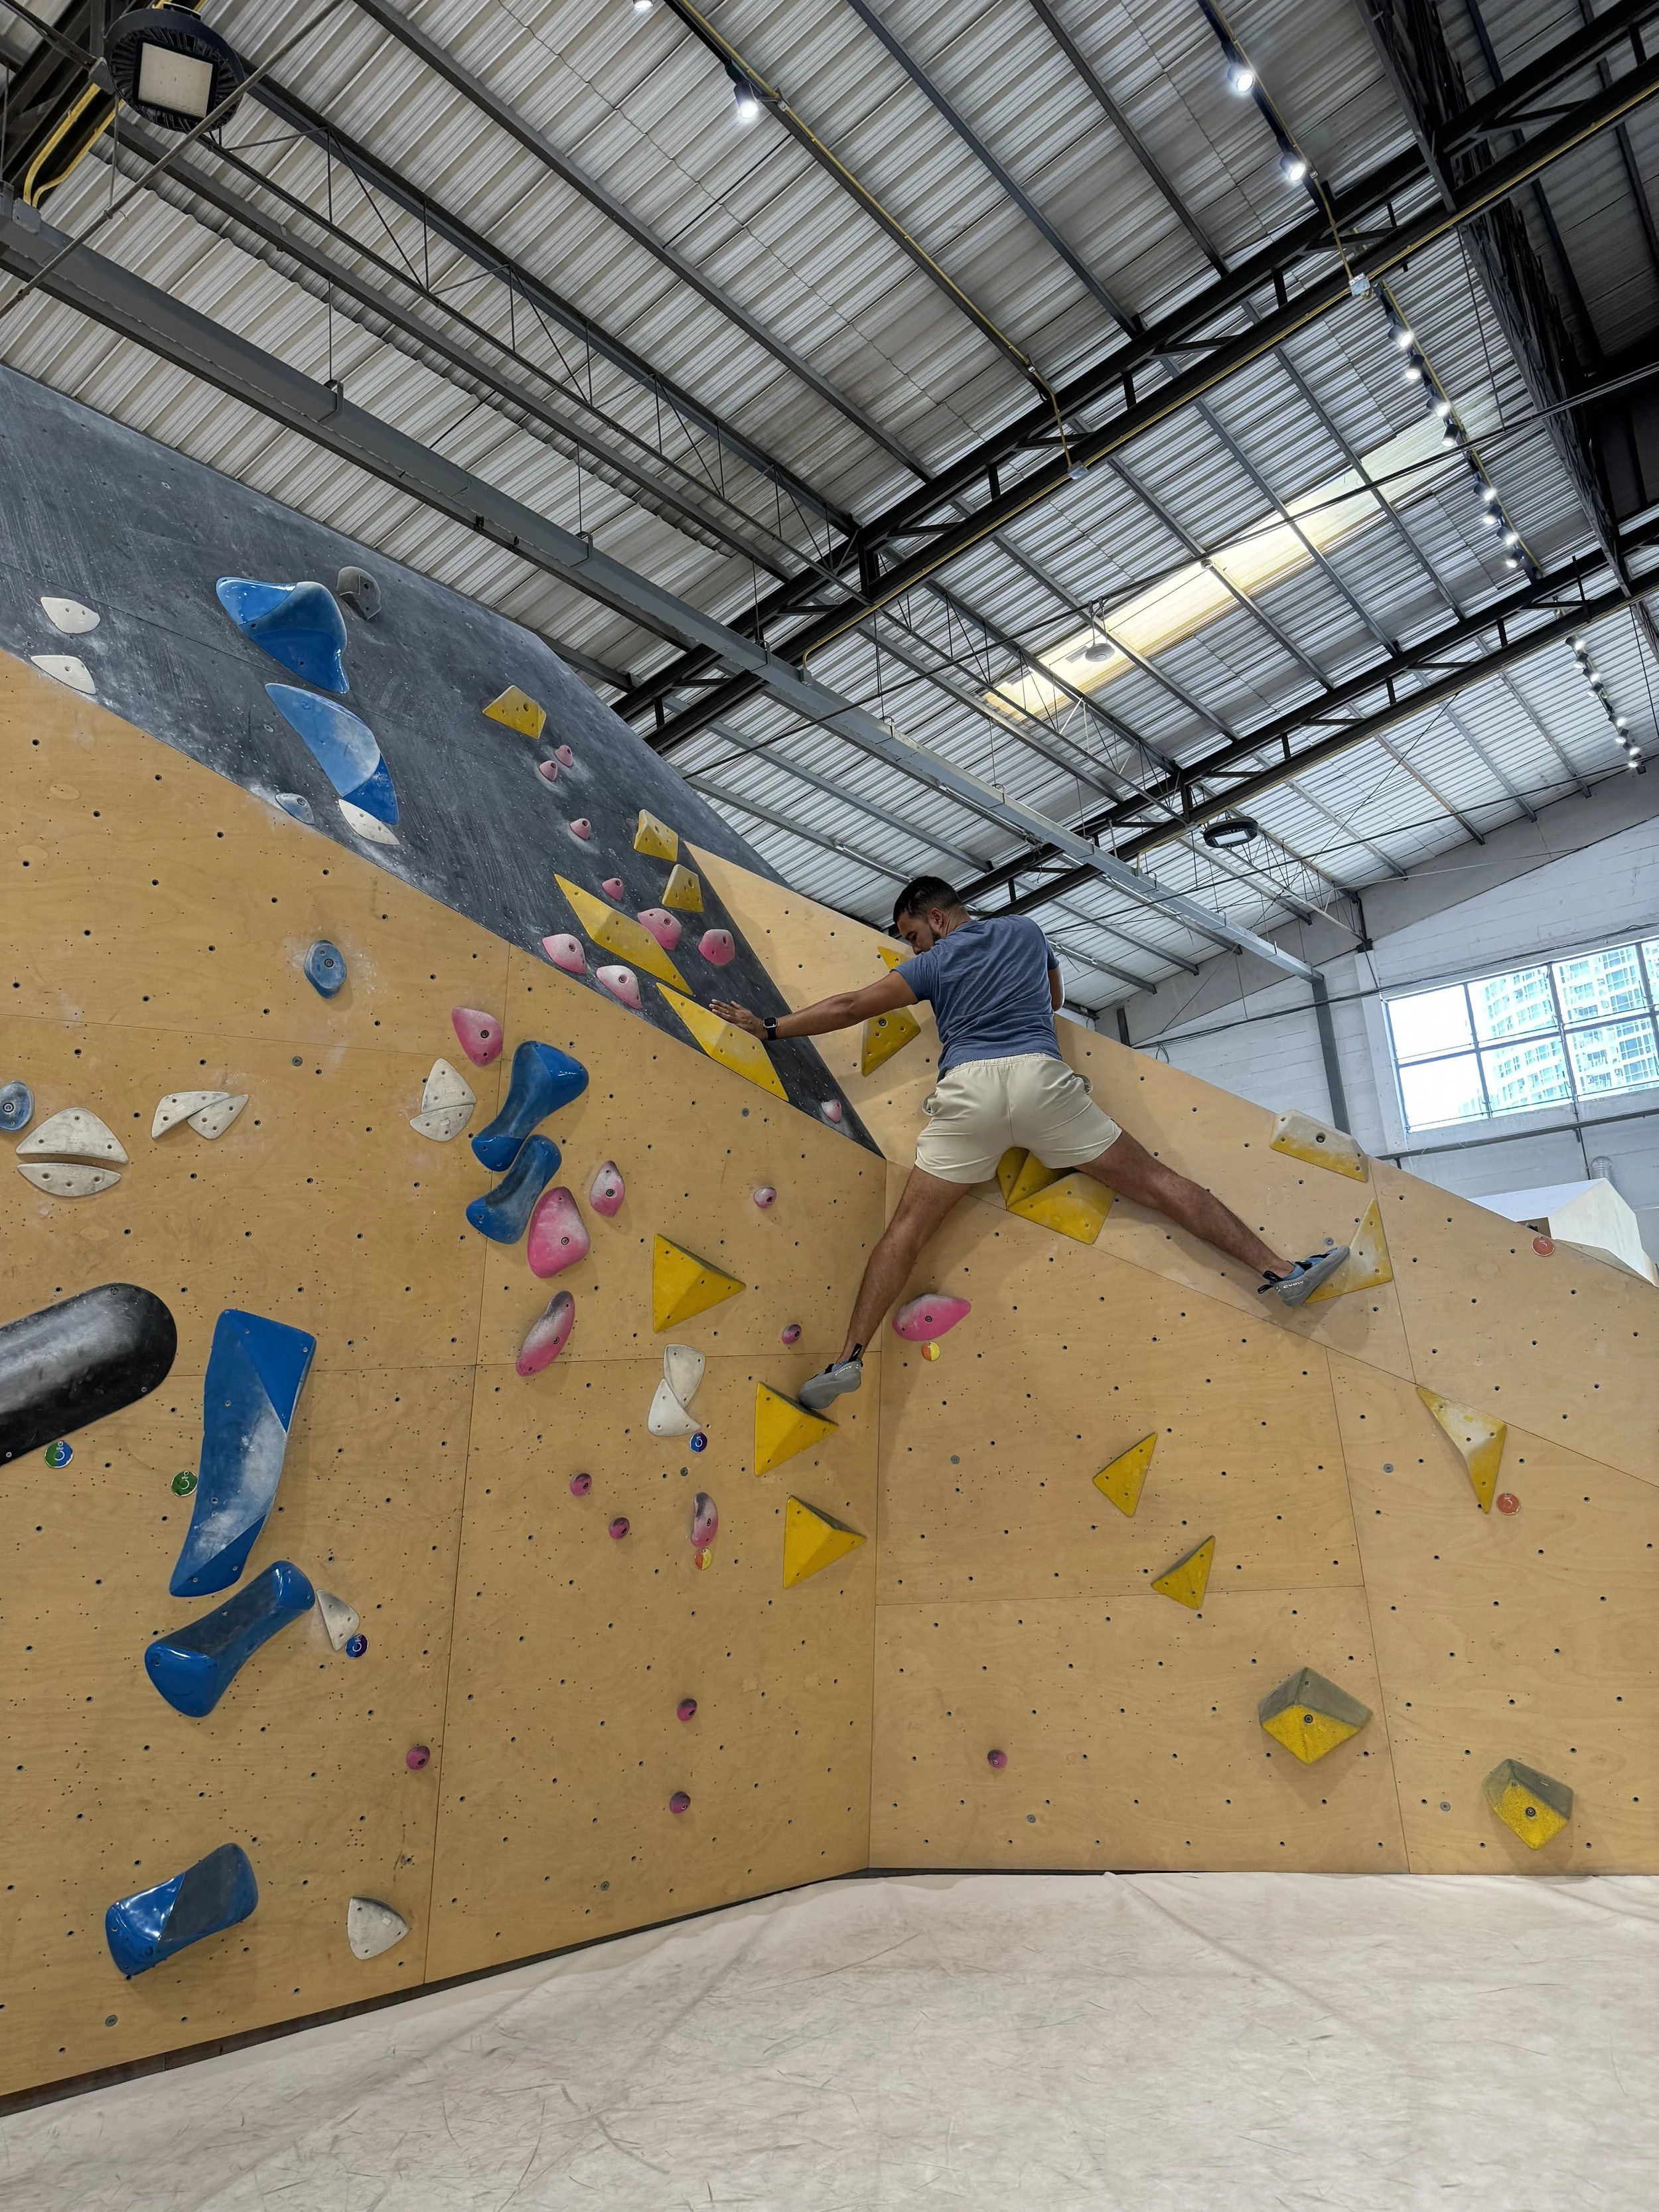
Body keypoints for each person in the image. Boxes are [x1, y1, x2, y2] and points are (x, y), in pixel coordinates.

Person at [709, 876, 1348, 1414]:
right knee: (1159, 1184)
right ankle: (1283, 1271)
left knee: (906, 1229)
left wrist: (769, 1027)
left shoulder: (933, 964)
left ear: (936, 917)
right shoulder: (1027, 932)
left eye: (910, 934)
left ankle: (846, 1358)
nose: (910, 945)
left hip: (968, 1092)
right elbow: (1055, 1000)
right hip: (1041, 1081)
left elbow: (853, 1005)